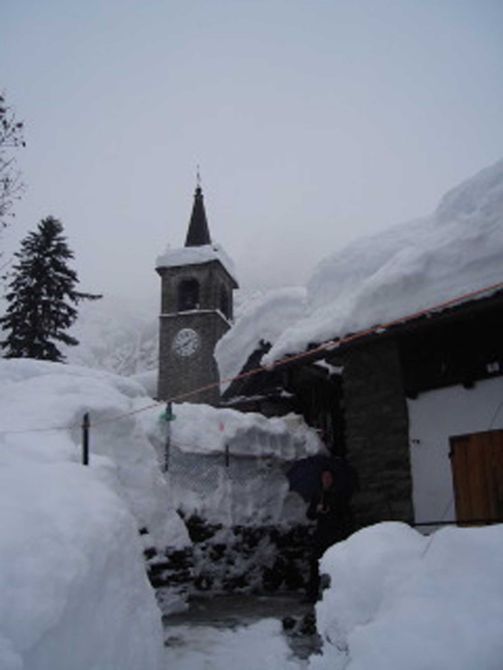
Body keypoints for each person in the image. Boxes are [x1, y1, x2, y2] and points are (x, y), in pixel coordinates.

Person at [305, 458, 358, 602]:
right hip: (321, 534)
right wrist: (317, 510)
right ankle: (312, 593)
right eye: (324, 477)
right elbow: (309, 514)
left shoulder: (339, 495)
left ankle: (335, 593)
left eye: (328, 477)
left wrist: (331, 510)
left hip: (334, 534)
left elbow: (345, 514)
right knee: (315, 562)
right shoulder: (318, 494)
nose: (326, 480)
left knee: (335, 564)